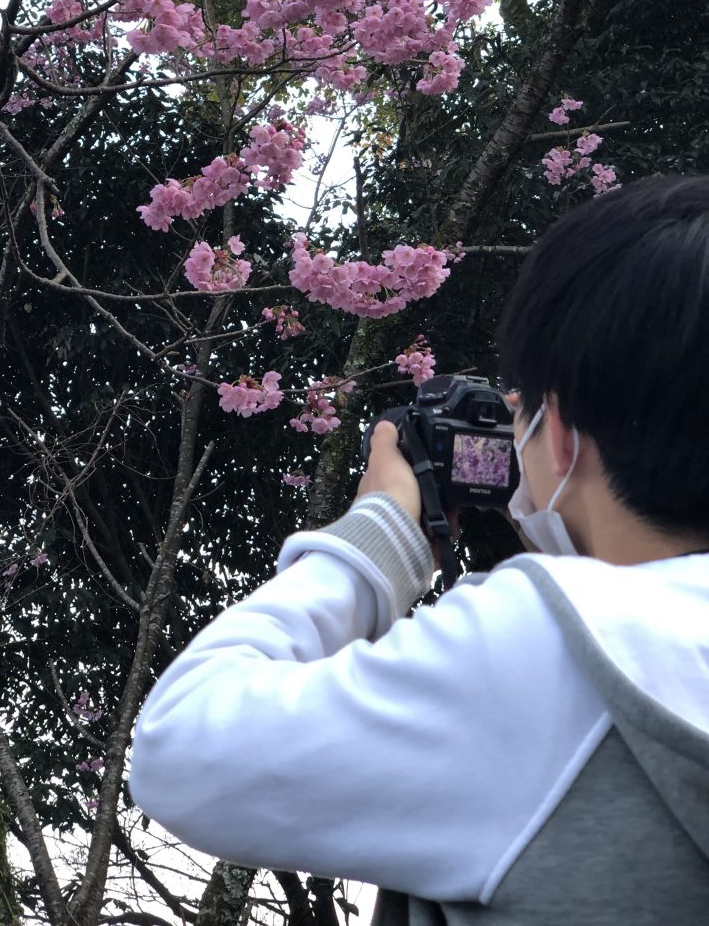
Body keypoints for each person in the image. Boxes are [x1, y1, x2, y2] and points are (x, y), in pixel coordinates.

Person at [129, 175, 709, 923]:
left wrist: (379, 537)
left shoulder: (543, 648)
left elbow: (182, 746)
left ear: (558, 434)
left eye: (522, 416)